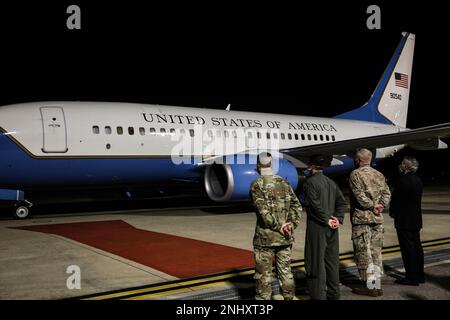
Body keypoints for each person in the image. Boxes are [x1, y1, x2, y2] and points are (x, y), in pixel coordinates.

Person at [250, 152, 303, 300]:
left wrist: (279, 226)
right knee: (285, 272)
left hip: (265, 238)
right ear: (271, 164)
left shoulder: (257, 185)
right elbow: (297, 206)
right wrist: (290, 225)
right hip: (285, 238)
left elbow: (263, 213)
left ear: (258, 165)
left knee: (263, 275)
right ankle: (289, 297)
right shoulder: (284, 182)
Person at [303, 154, 347, 300]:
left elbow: (314, 206)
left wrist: (326, 219)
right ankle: (334, 293)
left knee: (315, 261)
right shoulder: (331, 182)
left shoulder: (310, 183)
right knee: (332, 261)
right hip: (332, 228)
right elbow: (342, 203)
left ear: (312, 167)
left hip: (318, 227)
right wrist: (337, 219)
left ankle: (318, 295)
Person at [349, 148, 391, 297]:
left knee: (364, 253)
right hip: (377, 219)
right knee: (376, 253)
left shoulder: (355, 174)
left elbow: (359, 196)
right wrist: (381, 206)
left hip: (362, 219)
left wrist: (372, 206)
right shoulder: (379, 174)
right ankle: (377, 285)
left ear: (359, 160)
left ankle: (370, 287)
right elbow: (387, 193)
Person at [390, 156, 425, 286]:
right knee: (417, 247)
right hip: (416, 218)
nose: (400, 165)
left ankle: (411, 277)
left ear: (406, 166)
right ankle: (420, 275)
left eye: (401, 164)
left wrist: (393, 211)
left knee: (407, 249)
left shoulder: (402, 181)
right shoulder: (418, 180)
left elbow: (396, 200)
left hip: (404, 219)